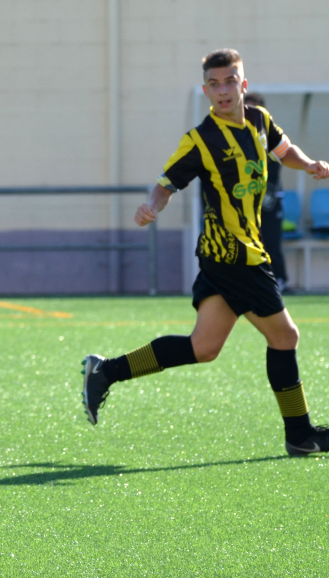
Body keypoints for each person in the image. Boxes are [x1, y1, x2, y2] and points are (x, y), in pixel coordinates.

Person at [81, 49, 329, 456]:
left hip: (235, 253)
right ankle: (300, 435)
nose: (223, 90)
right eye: (214, 84)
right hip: (234, 256)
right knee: (285, 337)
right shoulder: (200, 140)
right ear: (206, 90)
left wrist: (311, 165)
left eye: (230, 81)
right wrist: (152, 207)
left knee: (204, 347)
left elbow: (285, 151)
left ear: (242, 85)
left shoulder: (260, 122)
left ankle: (105, 372)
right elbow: (166, 183)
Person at [244, 91, 289, 289]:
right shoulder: (234, 137)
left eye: (255, 110)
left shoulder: (270, 135)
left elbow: (281, 159)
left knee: (270, 239)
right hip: (244, 200)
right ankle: (250, 282)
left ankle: (279, 280)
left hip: (268, 198)